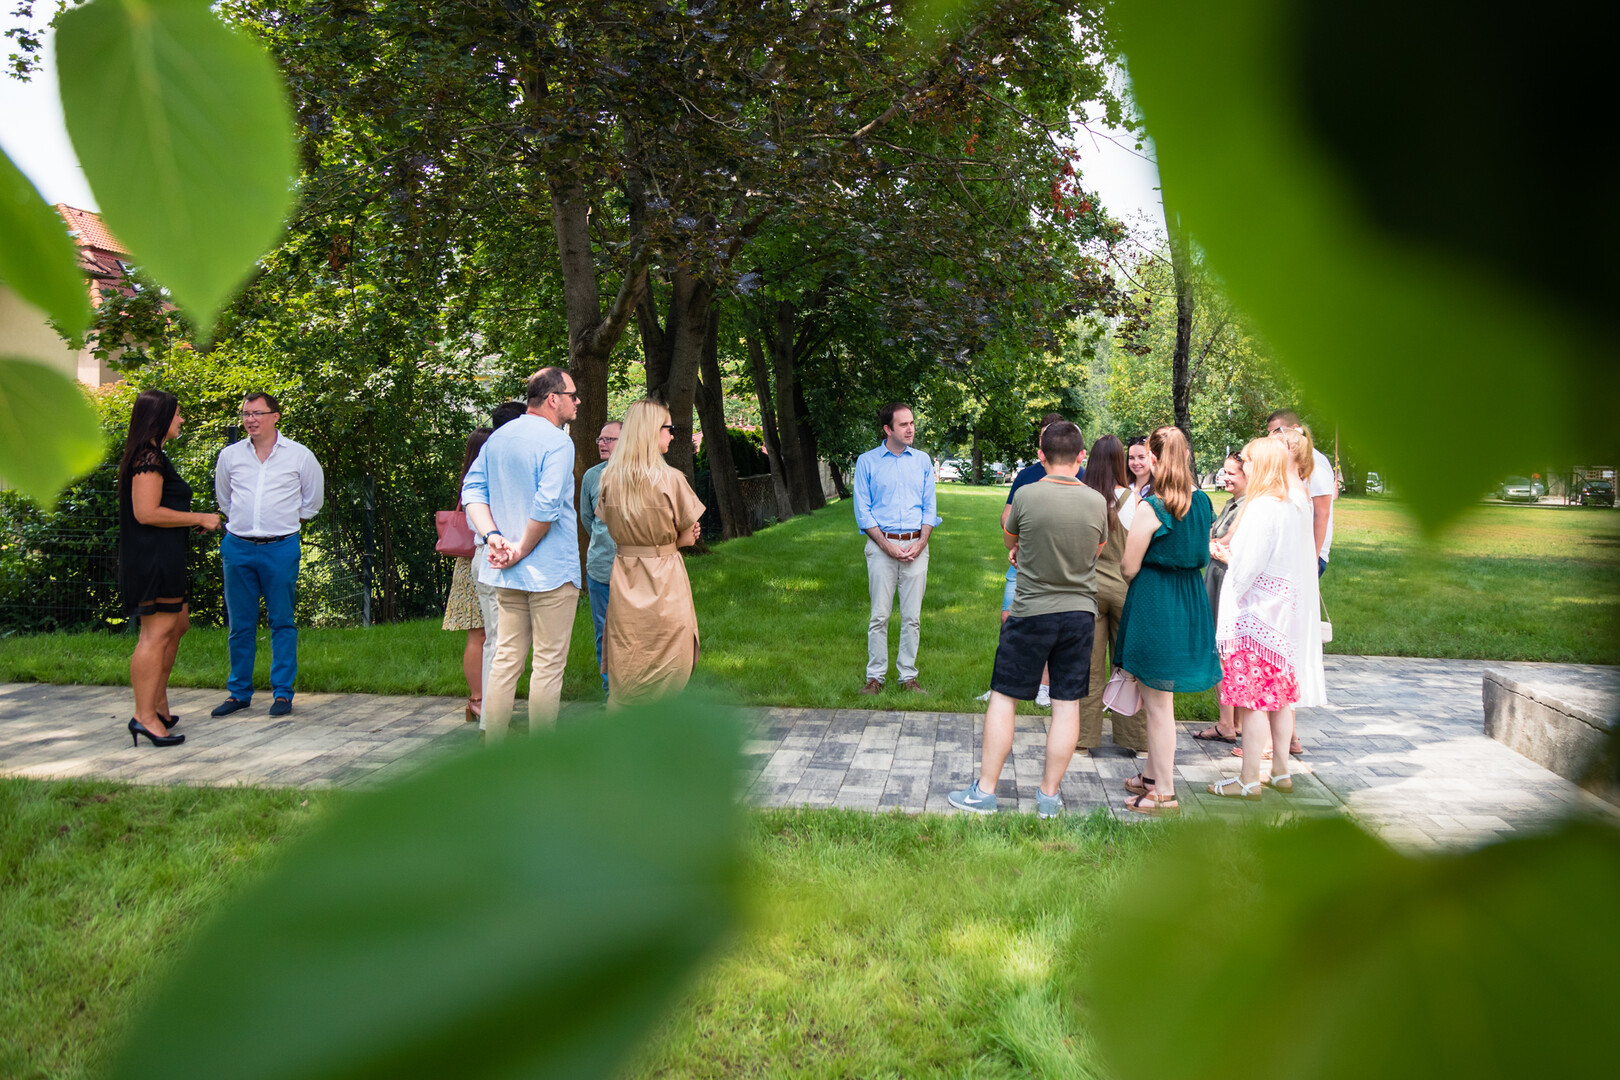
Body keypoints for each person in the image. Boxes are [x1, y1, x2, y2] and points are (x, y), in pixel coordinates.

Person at [948, 422, 1107, 817]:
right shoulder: (1097, 501)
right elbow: (1095, 551)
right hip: (1078, 614)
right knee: (1066, 704)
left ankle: (985, 792)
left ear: (1041, 456)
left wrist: (1024, 552)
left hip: (1031, 610)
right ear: (1081, 457)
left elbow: (1010, 539)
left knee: (1004, 697)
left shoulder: (1027, 493)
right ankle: (1049, 798)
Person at [462, 368, 581, 742]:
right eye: (573, 396)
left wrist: (493, 536)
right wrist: (520, 549)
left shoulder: (498, 439)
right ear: (552, 399)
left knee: (505, 660)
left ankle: (493, 743)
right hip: (550, 572)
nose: (577, 402)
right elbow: (547, 504)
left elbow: (472, 491)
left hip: (507, 573)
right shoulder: (558, 442)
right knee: (547, 664)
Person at [1112, 425, 1222, 814]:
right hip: (1190, 601)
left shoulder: (1153, 507)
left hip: (1157, 604)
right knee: (1159, 696)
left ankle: (1164, 791)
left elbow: (1128, 566)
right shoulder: (1204, 502)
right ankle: (1149, 773)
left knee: (1159, 706)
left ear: (1154, 459)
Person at [1207, 438, 1320, 799]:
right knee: (1280, 698)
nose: (1247, 466)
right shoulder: (1292, 504)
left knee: (1252, 700)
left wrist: (1225, 557)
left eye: (1250, 461)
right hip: (1280, 617)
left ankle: (1249, 779)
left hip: (1254, 617)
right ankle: (1281, 771)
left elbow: (1247, 569)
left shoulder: (1262, 508)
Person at [210, 392, 324, 719]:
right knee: (240, 624)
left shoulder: (300, 456)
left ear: (276, 416)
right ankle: (238, 693)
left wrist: (282, 524)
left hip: (280, 547)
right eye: (246, 413)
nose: (250, 419)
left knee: (282, 621)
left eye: (258, 413)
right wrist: (246, 525)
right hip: (238, 546)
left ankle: (283, 694)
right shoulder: (230, 456)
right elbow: (226, 501)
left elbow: (311, 502)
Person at [119, 390, 221, 747]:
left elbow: (160, 509)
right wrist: (199, 517)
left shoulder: (155, 455)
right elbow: (146, 513)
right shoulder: (148, 457)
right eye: (177, 414)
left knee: (177, 624)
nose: (181, 420)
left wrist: (184, 522)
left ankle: (157, 703)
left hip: (165, 553)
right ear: (160, 418)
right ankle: (143, 717)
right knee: (155, 634)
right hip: (151, 558)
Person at [597, 401, 706, 706]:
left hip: (625, 576)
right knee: (670, 654)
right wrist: (682, 538)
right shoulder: (671, 479)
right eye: (669, 428)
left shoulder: (609, 479)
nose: (673, 435)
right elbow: (687, 534)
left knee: (629, 652)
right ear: (651, 432)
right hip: (663, 576)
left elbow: (608, 522)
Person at [983, 412, 1071, 707]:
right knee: (1008, 618)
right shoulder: (1026, 475)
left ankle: (1044, 687)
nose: (1044, 444)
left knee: (1049, 625)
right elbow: (1006, 518)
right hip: (1022, 562)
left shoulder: (1078, 476)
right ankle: (1003, 686)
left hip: (1059, 567)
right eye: (1041, 438)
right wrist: (1018, 537)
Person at [852, 402, 940, 694]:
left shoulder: (923, 461)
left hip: (917, 546)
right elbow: (863, 512)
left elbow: (930, 508)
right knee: (879, 616)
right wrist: (887, 545)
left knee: (912, 618)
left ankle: (908, 678)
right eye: (903, 424)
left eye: (912, 422)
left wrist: (921, 541)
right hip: (881, 547)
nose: (911, 428)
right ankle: (875, 677)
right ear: (888, 429)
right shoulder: (867, 462)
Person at [1076, 434, 1146, 755]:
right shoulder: (1133, 501)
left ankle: (1083, 737)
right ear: (1121, 461)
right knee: (1129, 668)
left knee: (1088, 668)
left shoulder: (1083, 498)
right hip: (1125, 590)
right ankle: (1134, 739)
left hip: (1089, 590)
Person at [469, 400, 528, 730]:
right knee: (501, 643)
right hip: (497, 558)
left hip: (499, 558)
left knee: (502, 642)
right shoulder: (500, 459)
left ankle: (494, 718)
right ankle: (491, 723)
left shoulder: (487, 456)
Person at [1193, 452, 1248, 745]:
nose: (1225, 477)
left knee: (1223, 649)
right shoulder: (1233, 503)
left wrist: (1214, 542)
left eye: (1232, 474)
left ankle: (1227, 722)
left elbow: (1221, 540)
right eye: (1224, 472)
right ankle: (1234, 721)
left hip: (1226, 578)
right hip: (1217, 575)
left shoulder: (1247, 506)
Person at [443, 427, 492, 724]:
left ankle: (486, 698)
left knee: (487, 633)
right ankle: (477, 698)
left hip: (476, 561)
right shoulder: (476, 481)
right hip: (471, 560)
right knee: (479, 631)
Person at [577, 419, 622, 696]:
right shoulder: (592, 477)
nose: (602, 444)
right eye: (600, 439)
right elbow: (586, 519)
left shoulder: (640, 474)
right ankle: (610, 693)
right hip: (601, 569)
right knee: (604, 634)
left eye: (610, 439)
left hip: (636, 569)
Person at [1267, 409, 1335, 576]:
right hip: (1290, 549)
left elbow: (1322, 513)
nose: (1271, 438)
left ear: (1294, 429)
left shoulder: (1315, 462)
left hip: (1308, 552)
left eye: (1277, 431)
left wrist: (1314, 557)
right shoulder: (1286, 462)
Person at [1119, 435, 1153, 530]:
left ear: (1152, 458)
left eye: (1141, 457)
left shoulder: (1160, 491)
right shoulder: (1122, 486)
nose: (1136, 463)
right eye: (1131, 458)